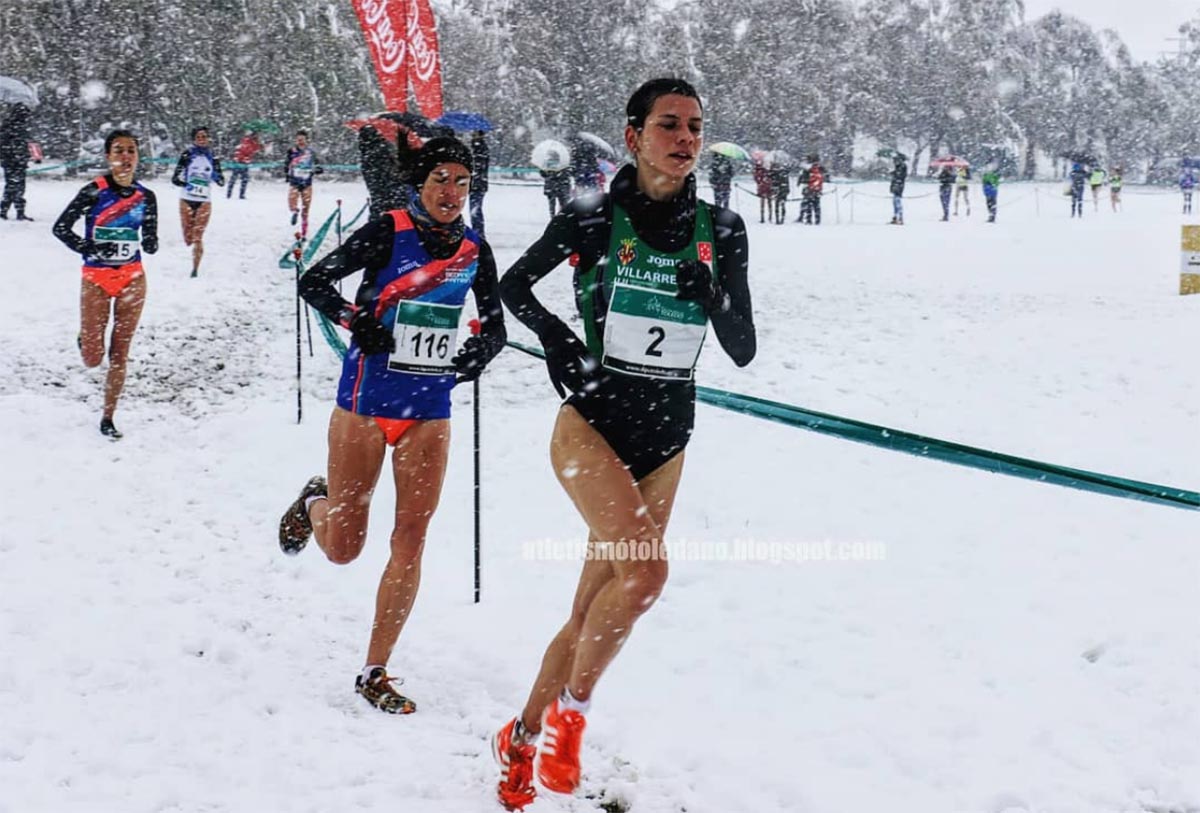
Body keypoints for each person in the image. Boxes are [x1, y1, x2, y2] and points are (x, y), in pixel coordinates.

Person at [491, 77, 755, 812]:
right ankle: (571, 719)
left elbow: (742, 347)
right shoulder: (593, 215)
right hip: (593, 423)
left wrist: (715, 297)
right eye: (670, 124)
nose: (686, 139)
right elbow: (515, 287)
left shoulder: (723, 228)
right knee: (644, 576)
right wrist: (557, 344)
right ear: (634, 133)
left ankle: (518, 739)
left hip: (669, 436)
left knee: (590, 613)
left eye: (696, 127)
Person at [279, 137, 506, 714]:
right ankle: (315, 504)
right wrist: (359, 321)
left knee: (411, 538)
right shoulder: (388, 230)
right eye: (440, 181)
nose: (451, 192)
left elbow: (496, 325)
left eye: (461, 181)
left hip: (430, 409)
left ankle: (374, 669)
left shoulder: (477, 250)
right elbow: (314, 281)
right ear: (419, 186)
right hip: (365, 402)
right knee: (344, 549)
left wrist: (480, 352)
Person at [51, 129, 158, 439]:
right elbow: (60, 228)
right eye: (119, 150)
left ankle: (108, 417)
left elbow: (150, 237)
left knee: (119, 353)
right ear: (108, 156)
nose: (125, 157)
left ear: (137, 157)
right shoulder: (94, 191)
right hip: (96, 279)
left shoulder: (146, 196)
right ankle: (86, 340)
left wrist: (150, 241)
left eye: (131, 151)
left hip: (132, 279)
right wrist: (87, 247)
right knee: (93, 358)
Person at [171, 126, 224, 277]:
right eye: (198, 137)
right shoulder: (187, 154)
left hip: (204, 201)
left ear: (208, 139)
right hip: (187, 199)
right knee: (188, 238)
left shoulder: (213, 157)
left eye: (204, 136)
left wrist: (215, 176)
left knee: (197, 236)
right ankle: (192, 250)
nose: (201, 139)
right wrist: (187, 184)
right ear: (194, 139)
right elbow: (175, 178)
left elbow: (221, 180)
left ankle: (195, 268)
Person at [0, 103, 35, 221]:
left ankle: (5, 210)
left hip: (12, 161)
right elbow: (20, 144)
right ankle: (17, 211)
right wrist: (20, 155)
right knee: (17, 186)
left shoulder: (8, 126)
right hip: (15, 162)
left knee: (12, 186)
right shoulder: (16, 128)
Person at [286, 130, 323, 236]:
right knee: (292, 202)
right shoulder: (291, 151)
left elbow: (319, 166)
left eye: (302, 139)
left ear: (307, 140)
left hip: (307, 182)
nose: (300, 142)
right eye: (298, 140)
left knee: (306, 209)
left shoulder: (311, 152)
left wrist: (317, 170)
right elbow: (286, 164)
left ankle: (304, 231)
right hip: (295, 181)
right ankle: (295, 212)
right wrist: (287, 174)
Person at [226, 130, 263, 200]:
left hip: (244, 163)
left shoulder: (252, 143)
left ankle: (240, 194)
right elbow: (249, 151)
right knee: (235, 179)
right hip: (239, 163)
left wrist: (260, 146)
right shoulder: (247, 142)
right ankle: (230, 194)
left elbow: (255, 149)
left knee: (243, 179)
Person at [469, 130, 489, 237]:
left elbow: (478, 166)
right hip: (478, 184)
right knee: (475, 210)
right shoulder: (477, 148)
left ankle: (478, 233)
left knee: (475, 210)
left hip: (477, 185)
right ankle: (478, 232)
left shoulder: (479, 149)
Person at [797, 155, 826, 225]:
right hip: (817, 190)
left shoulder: (808, 170)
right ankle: (817, 220)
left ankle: (808, 220)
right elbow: (824, 178)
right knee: (817, 206)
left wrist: (801, 180)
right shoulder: (820, 169)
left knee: (808, 206)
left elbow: (804, 180)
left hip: (809, 190)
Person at [889, 154, 907, 225]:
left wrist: (894, 174)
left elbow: (901, 176)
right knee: (895, 202)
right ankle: (896, 217)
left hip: (898, 186)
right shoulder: (899, 167)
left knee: (897, 202)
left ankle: (899, 217)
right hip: (896, 186)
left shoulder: (902, 166)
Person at [752, 155, 771, 223]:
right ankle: (770, 216)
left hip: (762, 187)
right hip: (767, 186)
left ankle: (763, 217)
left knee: (763, 203)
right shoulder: (766, 170)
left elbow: (756, 179)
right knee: (769, 201)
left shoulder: (759, 171)